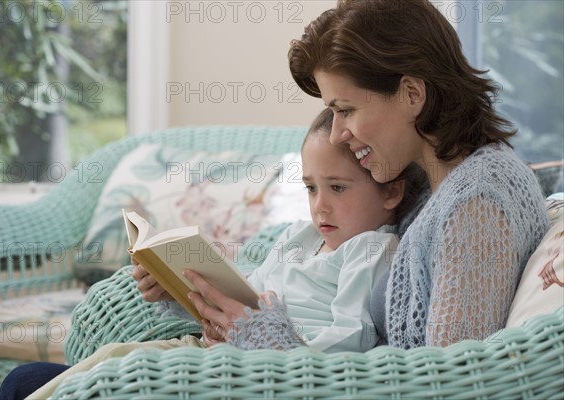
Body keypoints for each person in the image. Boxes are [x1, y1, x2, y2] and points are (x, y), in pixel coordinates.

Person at [180, 0, 549, 351]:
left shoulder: (476, 205)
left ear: (411, 93)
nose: (338, 133)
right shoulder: (427, 184)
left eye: (347, 110)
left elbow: (451, 382)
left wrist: (270, 343)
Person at [0, 107, 424, 399]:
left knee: (104, 376)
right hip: (206, 351)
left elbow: (348, 352)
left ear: (391, 191)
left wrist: (275, 343)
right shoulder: (299, 237)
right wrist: (180, 291)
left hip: (247, 376)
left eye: (338, 188)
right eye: (311, 188)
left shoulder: (372, 253)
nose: (320, 205)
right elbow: (240, 298)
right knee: (101, 361)